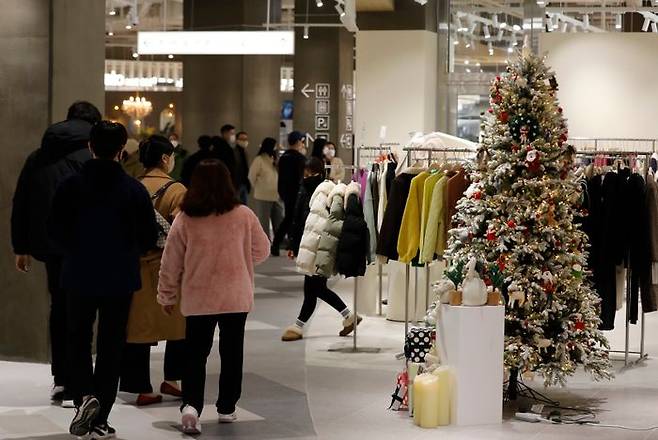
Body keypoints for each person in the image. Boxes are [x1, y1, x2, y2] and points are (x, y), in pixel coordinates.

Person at [48, 121, 158, 439]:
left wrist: (74, 249)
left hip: (79, 273)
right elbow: (149, 237)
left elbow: (54, 230)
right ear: (122, 150)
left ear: (90, 147)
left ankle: (86, 396)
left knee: (78, 338)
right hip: (120, 277)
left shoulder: (70, 186)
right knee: (112, 346)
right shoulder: (134, 190)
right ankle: (100, 418)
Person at [157, 160, 270, 435]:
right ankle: (227, 407)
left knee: (195, 354)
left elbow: (170, 261)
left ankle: (191, 407)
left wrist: (166, 295)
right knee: (232, 353)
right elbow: (263, 250)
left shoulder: (186, 216)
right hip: (235, 296)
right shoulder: (243, 214)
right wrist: (242, 261)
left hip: (199, 297)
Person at [11, 100, 101, 403]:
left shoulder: (38, 156)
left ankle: (61, 378)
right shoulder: (91, 156)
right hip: (86, 247)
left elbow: (21, 201)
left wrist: (20, 246)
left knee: (59, 308)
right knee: (82, 312)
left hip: (49, 245)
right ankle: (80, 381)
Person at [120, 135, 187, 406]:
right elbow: (183, 233)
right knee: (179, 324)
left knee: (138, 326)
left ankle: (138, 386)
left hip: (135, 265)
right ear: (164, 158)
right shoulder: (177, 190)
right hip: (166, 266)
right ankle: (174, 379)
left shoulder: (132, 186)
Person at [281, 158, 361, 342]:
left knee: (313, 288)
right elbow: (300, 220)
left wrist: (298, 244)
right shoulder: (317, 190)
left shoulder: (322, 192)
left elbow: (312, 222)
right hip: (313, 245)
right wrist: (295, 244)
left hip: (317, 246)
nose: (306, 176)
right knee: (315, 288)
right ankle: (348, 316)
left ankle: (299, 326)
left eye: (308, 173)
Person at [271, 131, 307, 256]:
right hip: (297, 193)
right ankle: (287, 244)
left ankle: (279, 243)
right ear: (298, 142)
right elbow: (302, 178)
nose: (303, 144)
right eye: (302, 142)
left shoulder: (284, 157)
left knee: (288, 218)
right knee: (294, 219)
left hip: (286, 193)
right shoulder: (300, 159)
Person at [248, 137, 283, 239]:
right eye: (275, 145)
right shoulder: (259, 159)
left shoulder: (274, 159)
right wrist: (259, 186)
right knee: (263, 221)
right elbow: (251, 176)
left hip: (275, 195)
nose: (276, 148)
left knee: (278, 219)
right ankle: (265, 241)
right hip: (263, 195)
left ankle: (278, 240)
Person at [234, 131, 251, 204]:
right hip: (237, 184)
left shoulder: (245, 152)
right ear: (237, 140)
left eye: (245, 139)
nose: (244, 141)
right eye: (242, 139)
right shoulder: (234, 152)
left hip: (245, 183)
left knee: (244, 206)